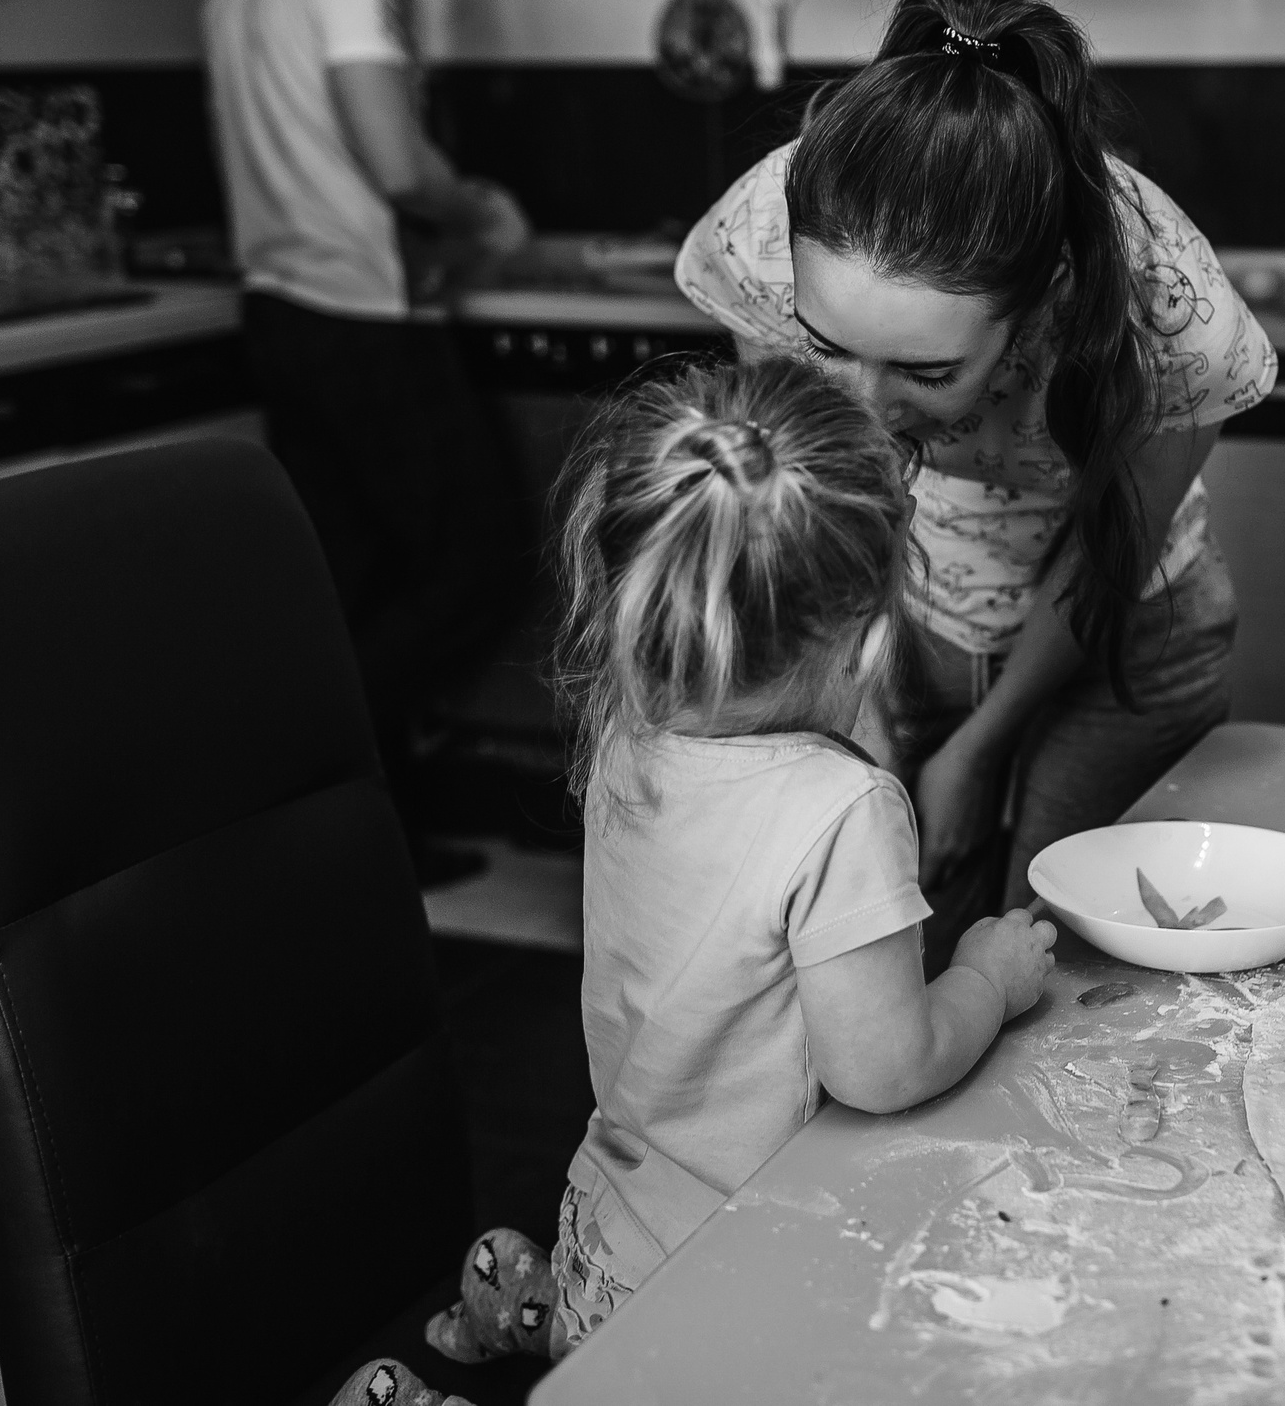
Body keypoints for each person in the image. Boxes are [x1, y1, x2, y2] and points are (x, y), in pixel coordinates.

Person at [403, 356, 1059, 1371]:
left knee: (595, 1342)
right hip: (729, 1271)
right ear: (862, 636)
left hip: (613, 1216)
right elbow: (884, 1070)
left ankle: (538, 1311)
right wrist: (987, 979)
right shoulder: (842, 810)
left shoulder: (626, 729)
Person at [672, 0, 1279, 929]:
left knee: (1062, 955)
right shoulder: (760, 236)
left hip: (1114, 634)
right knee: (909, 948)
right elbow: (814, 516)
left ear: (1045, 299)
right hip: (897, 630)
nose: (864, 411)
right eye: (827, 348)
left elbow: (1107, 554)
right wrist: (862, 713)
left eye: (925, 369)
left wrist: (978, 748)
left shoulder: (1167, 313)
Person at [203, 0, 526, 881]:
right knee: (476, 564)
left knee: (346, 582)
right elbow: (391, 160)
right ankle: (314, 777)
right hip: (361, 319)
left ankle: (345, 840)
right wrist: (477, 208)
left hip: (279, 311)